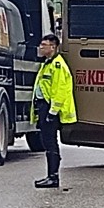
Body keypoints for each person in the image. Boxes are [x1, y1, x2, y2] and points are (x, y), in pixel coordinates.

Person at [32, 33, 77, 188]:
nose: (40, 48)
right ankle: (51, 176)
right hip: (45, 107)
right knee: (47, 142)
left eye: (44, 45)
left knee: (50, 143)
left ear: (53, 47)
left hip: (51, 109)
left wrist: (52, 112)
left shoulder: (58, 65)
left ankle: (53, 177)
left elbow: (60, 91)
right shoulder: (48, 64)